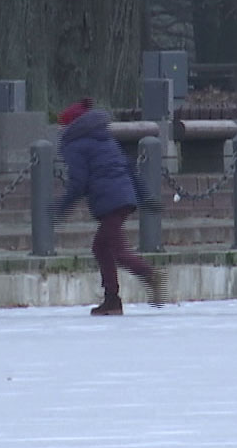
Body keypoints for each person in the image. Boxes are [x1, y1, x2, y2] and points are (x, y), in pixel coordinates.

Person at [55, 97, 168, 315]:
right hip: (122, 198)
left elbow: (78, 182)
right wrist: (145, 198)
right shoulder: (105, 139)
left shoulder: (74, 144)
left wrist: (60, 208)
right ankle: (112, 300)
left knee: (116, 249)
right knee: (101, 247)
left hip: (110, 200)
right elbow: (130, 169)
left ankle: (149, 276)